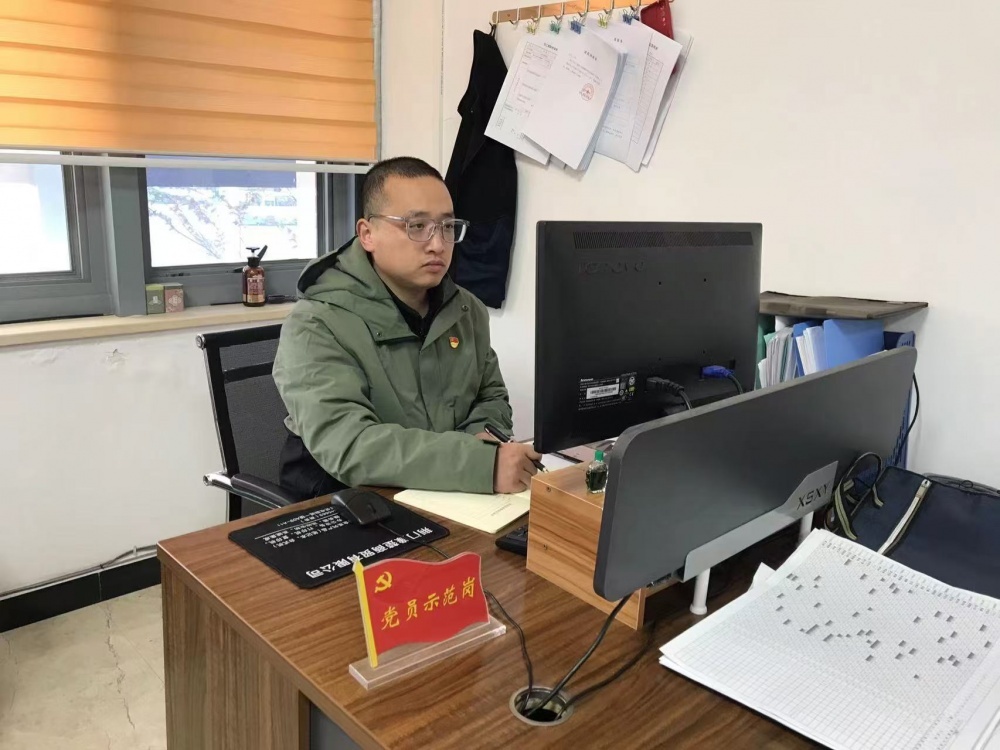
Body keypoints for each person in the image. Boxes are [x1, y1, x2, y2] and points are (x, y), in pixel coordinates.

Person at [273, 157, 540, 500]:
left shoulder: (466, 310)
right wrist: (478, 464)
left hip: (442, 491)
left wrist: (479, 443)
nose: (438, 244)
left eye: (447, 226)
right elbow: (349, 444)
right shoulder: (315, 324)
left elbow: (490, 396)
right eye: (417, 226)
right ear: (367, 234)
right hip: (344, 499)